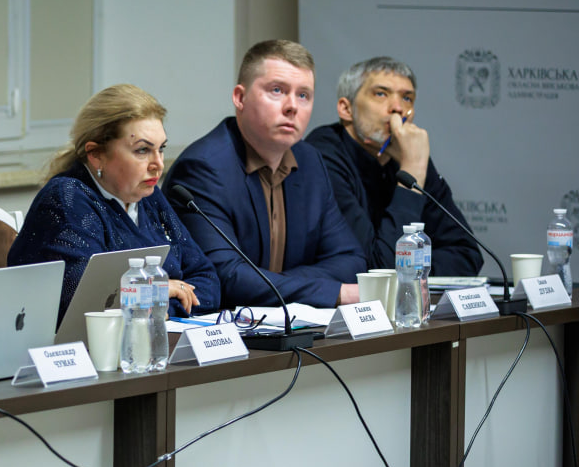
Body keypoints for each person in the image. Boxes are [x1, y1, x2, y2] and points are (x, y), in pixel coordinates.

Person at [164, 40, 366, 308]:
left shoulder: (310, 161)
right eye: (277, 90)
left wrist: (271, 282)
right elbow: (226, 277)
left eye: (303, 95)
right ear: (240, 98)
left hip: (295, 325)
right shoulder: (203, 169)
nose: (292, 106)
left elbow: (351, 260)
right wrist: (337, 293)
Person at [8, 84, 220, 324]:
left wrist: (160, 307)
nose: (158, 164)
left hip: (149, 340)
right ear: (96, 154)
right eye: (142, 150)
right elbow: (89, 305)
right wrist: (159, 293)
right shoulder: (67, 199)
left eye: (161, 149)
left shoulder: (148, 197)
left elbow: (207, 282)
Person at [306, 57, 483, 276]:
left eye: (407, 98)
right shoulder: (321, 155)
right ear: (346, 109)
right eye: (381, 94)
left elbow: (466, 253)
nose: (398, 108)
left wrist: (413, 274)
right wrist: (411, 170)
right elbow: (379, 271)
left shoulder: (410, 155)